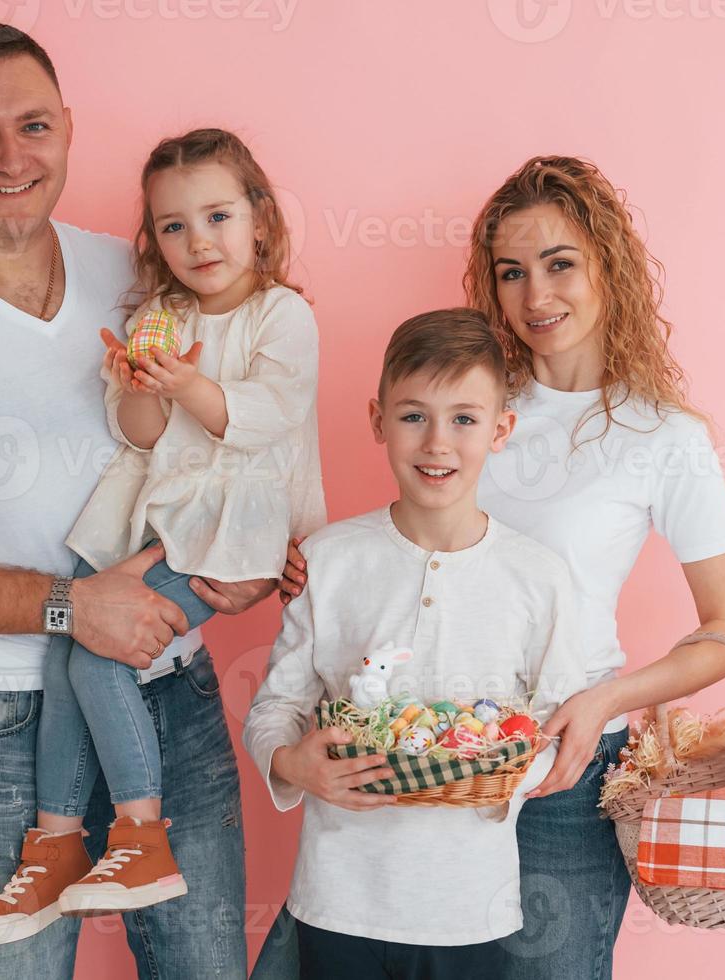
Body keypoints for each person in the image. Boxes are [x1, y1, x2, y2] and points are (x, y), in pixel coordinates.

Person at [0, 23, 271, 979]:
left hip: (170, 692)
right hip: (7, 725)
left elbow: (242, 428)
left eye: (33, 125)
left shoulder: (145, 274)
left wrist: (258, 555)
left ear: (69, 128)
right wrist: (75, 607)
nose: (10, 156)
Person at [267, 156, 725, 980]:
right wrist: (311, 564)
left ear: (610, 265)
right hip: (424, 764)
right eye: (512, 273)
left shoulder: (663, 438)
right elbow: (399, 543)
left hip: (564, 778)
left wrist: (605, 697)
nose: (537, 296)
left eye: (560, 264)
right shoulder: (472, 401)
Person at [0, 127, 324, 945]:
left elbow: (265, 420)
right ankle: (58, 842)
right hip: (158, 519)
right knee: (69, 645)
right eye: (173, 226)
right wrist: (141, 385)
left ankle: (139, 834)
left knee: (98, 651)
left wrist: (190, 383)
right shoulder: (161, 316)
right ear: (154, 242)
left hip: (232, 527)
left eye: (218, 216)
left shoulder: (283, 316)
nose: (198, 241)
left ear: (260, 221)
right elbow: (135, 435)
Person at [243, 308, 590, 979]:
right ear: (377, 420)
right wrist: (292, 764)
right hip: (338, 901)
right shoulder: (329, 559)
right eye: (413, 416)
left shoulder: (538, 578)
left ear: (501, 429)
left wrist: (498, 770)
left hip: (472, 908)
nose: (438, 442)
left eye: (464, 418)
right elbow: (274, 709)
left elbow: (557, 732)